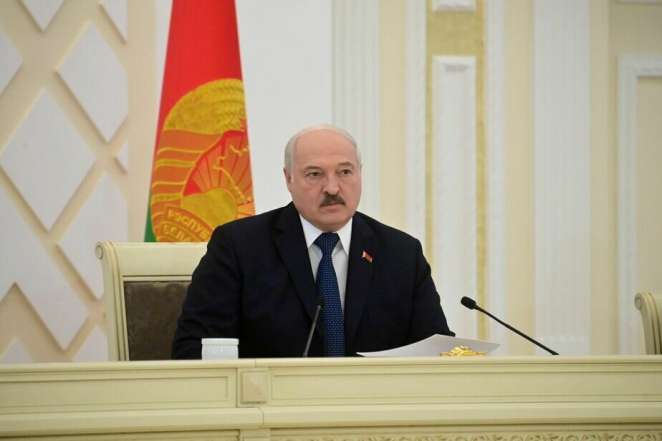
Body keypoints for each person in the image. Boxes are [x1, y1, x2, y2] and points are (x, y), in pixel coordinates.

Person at [172, 124, 453, 358]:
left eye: (345, 172)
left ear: (360, 173)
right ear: (288, 179)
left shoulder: (401, 253)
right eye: (315, 174)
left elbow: (436, 352)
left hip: (373, 405)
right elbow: (193, 349)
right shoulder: (238, 247)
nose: (332, 188)